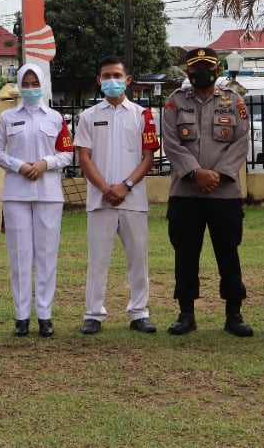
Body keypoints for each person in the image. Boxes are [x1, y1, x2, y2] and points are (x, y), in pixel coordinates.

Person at [160, 47, 252, 337]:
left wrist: (218, 174)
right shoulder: (175, 103)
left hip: (224, 193)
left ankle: (234, 314)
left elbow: (241, 141)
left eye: (207, 67)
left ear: (217, 70)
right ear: (188, 72)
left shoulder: (234, 101)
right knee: (185, 254)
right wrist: (194, 172)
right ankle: (186, 313)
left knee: (228, 253)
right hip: (185, 193)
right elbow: (171, 142)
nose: (202, 72)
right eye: (196, 68)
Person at [72, 57, 160, 336]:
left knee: (138, 258)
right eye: (106, 76)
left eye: (116, 75)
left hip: (133, 199)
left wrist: (126, 185)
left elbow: (149, 157)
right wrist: (105, 188)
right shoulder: (88, 116)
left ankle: (139, 312)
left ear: (128, 79)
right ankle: (93, 314)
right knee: (98, 259)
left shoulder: (143, 115)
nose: (111, 80)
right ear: (98, 80)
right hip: (100, 200)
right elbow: (83, 157)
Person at [0, 64, 74, 338]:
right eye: (25, 83)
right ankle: (21, 316)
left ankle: (45, 315)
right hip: (16, 193)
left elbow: (66, 153)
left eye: (34, 82)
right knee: (19, 255)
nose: (29, 88)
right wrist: (18, 166)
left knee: (47, 255)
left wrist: (44, 163)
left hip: (48, 193)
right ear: (18, 85)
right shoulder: (7, 117)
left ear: (42, 85)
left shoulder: (56, 118)